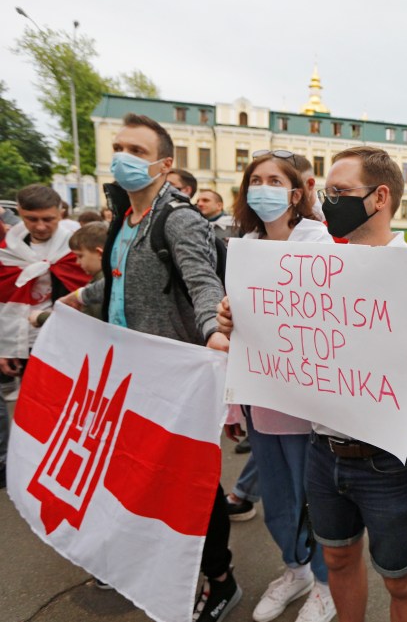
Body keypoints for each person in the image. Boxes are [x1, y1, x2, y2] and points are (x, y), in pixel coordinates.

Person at [220, 145, 407, 622]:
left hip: (388, 460)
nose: (327, 202)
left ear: (380, 197)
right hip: (321, 449)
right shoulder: (312, 266)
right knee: (337, 558)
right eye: (325, 192)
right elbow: (280, 333)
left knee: (400, 576)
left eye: (340, 192)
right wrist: (238, 319)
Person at [62, 113, 238, 622]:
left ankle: (220, 580)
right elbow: (120, 282)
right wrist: (74, 301)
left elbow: (204, 282)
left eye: (136, 150)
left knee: (193, 484)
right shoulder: (123, 217)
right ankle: (143, 560)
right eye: (118, 146)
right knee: (131, 470)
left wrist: (215, 331)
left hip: (173, 377)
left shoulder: (178, 218)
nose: (123, 157)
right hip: (124, 373)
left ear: (164, 163)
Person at [220, 150, 336, 622]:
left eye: (274, 180)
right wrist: (234, 407)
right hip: (262, 406)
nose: (262, 187)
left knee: (321, 503)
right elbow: (241, 333)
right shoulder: (242, 246)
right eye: (255, 179)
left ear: (295, 193)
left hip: (311, 407)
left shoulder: (322, 245)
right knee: (279, 502)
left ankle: (328, 583)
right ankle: (296, 570)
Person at [0, 185, 89, 376]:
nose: (40, 226)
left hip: (68, 339)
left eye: (48, 219)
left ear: (61, 213)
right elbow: (4, 302)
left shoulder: (76, 249)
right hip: (24, 342)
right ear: (19, 212)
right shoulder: (7, 251)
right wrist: (6, 348)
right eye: (31, 219)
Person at [31, 221, 107, 327]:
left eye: (80, 256)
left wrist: (41, 318)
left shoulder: (102, 283)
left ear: (100, 254)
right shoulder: (106, 278)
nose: (77, 262)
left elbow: (86, 324)